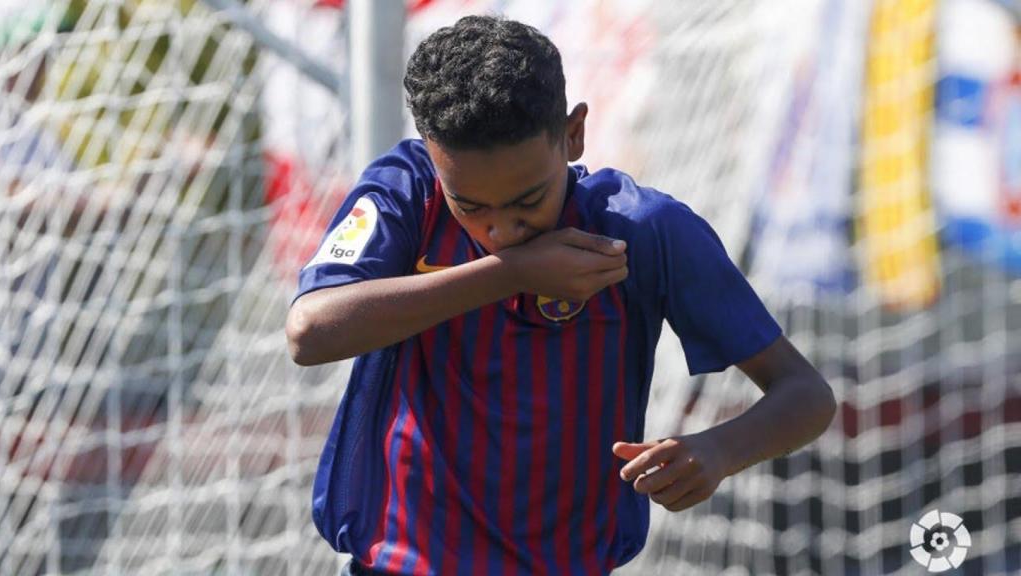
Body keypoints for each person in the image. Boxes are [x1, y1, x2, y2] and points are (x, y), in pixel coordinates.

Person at [286, 15, 836, 576]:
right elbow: (310, 330)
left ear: (573, 134)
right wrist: (512, 272)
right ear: (432, 157)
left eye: (528, 200)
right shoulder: (409, 193)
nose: (500, 230)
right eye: (471, 207)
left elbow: (806, 395)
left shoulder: (643, 231)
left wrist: (719, 451)